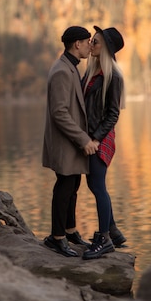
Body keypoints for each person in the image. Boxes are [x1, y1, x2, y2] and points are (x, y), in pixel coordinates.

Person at [42, 26, 100, 257]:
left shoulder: (71, 67)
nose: (90, 45)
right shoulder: (62, 72)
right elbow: (59, 113)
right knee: (64, 187)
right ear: (77, 44)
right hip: (65, 142)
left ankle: (70, 231)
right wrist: (83, 139)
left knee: (73, 185)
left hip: (70, 142)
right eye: (87, 42)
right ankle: (56, 238)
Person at [81, 25, 128, 260]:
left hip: (101, 138)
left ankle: (104, 239)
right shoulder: (92, 72)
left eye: (96, 42)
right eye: (91, 41)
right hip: (91, 136)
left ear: (106, 49)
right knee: (95, 185)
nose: (91, 44)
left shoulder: (113, 76)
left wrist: (96, 138)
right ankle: (113, 232)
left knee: (98, 186)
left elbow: (113, 114)